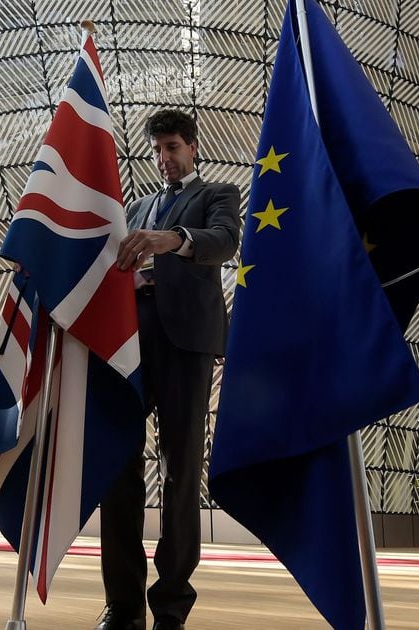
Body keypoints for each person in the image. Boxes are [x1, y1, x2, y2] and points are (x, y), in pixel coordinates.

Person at [98, 109, 241, 630]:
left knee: (181, 472)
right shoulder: (134, 207)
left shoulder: (218, 195)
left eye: (174, 147)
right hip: (130, 342)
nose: (165, 158)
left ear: (194, 148)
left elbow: (225, 241)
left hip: (186, 343)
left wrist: (172, 239)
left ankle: (171, 608)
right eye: (158, 150)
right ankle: (123, 605)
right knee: (118, 468)